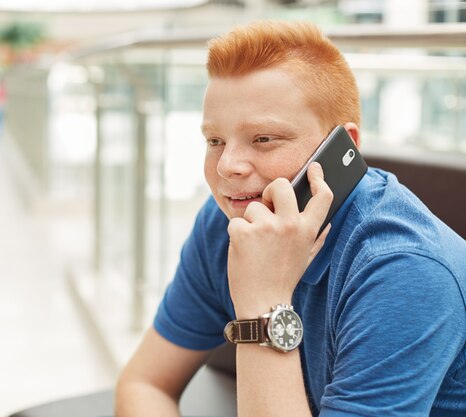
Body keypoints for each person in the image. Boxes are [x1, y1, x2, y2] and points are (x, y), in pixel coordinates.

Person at [115, 20, 466, 417]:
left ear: (345, 146)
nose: (227, 166)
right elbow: (144, 383)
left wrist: (264, 301)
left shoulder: (405, 269)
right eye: (215, 141)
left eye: (263, 139)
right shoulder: (230, 221)